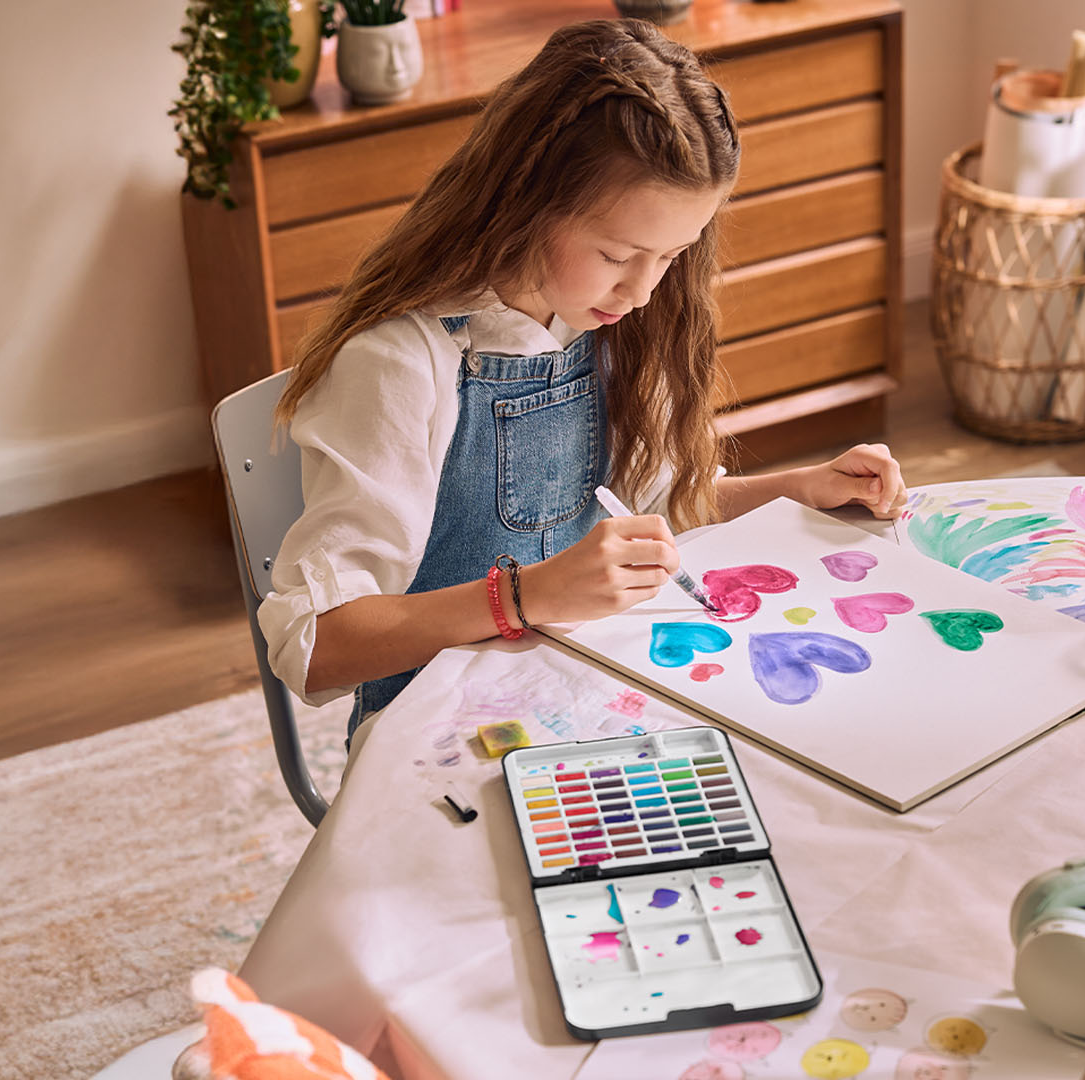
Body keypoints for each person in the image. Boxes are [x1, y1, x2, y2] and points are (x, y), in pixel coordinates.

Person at [260, 18, 907, 748]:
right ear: (525, 197)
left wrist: (796, 489)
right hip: (445, 744)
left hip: (593, 699)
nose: (641, 288)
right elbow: (317, 646)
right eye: (616, 252)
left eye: (671, 256)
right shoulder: (402, 364)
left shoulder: (606, 323)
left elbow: (654, 511)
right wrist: (524, 599)